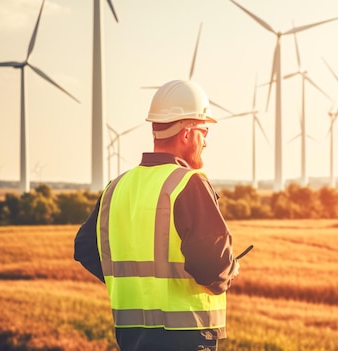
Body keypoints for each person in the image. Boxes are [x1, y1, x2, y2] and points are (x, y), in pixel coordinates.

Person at [74, 79, 240, 351]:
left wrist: (134, 286)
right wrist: (232, 271)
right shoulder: (189, 183)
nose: (206, 141)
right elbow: (213, 267)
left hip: (131, 338)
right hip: (185, 339)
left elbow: (84, 248)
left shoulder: (116, 187)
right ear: (186, 133)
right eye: (204, 130)